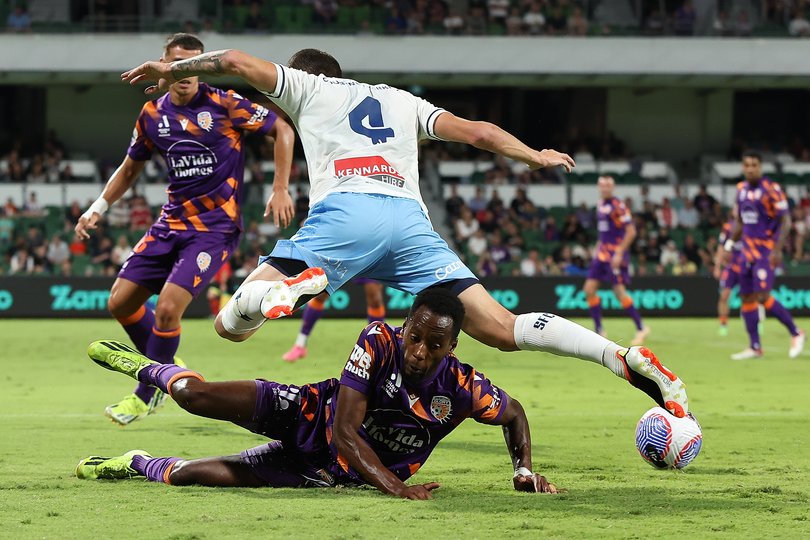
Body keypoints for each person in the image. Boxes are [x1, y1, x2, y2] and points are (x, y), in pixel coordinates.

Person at [121, 47, 689, 419]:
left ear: (305, 76)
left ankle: (288, 287)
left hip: (346, 216)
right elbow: (478, 132)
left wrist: (172, 70)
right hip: (409, 224)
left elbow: (240, 64)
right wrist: (533, 156)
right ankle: (619, 356)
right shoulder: (399, 99)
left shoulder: (307, 87)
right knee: (501, 327)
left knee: (229, 326)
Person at [76, 289, 557, 497]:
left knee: (184, 478)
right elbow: (346, 432)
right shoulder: (378, 340)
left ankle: (136, 460)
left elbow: (514, 414)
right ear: (404, 326)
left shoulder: (463, 388)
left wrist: (523, 470)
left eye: (435, 345)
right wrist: (397, 487)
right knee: (194, 398)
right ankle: (151, 369)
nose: (419, 351)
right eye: (415, 336)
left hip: (325, 472)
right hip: (307, 413)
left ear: (452, 346)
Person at [76, 33, 295, 425]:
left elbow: (283, 129)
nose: (185, 72)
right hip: (169, 223)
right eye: (177, 63)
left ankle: (148, 393)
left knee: (167, 311)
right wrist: (98, 207)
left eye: (194, 63)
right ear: (164, 64)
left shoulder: (224, 104)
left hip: (214, 229)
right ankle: (166, 362)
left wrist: (280, 187)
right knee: (120, 303)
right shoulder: (152, 115)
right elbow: (130, 169)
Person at [723, 151, 805, 360]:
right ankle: (755, 346)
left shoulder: (771, 189)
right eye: (747, 165)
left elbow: (786, 221)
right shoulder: (740, 190)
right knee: (747, 298)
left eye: (754, 165)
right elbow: (740, 222)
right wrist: (729, 244)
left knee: (763, 296)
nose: (751, 168)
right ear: (743, 167)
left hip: (765, 252)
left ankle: (796, 332)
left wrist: (777, 250)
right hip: (745, 253)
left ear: (760, 167)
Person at [582, 176, 649, 345]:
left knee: (619, 292)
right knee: (589, 289)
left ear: (613, 187)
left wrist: (619, 252)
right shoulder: (600, 205)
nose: (605, 188)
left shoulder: (618, 206)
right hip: (602, 254)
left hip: (614, 255)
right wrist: (597, 248)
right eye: (602, 185)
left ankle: (641, 328)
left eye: (608, 185)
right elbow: (603, 233)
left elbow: (631, 231)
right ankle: (599, 330)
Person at [282, 280, 386, 362]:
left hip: (367, 254)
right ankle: (300, 345)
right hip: (344, 254)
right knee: (320, 294)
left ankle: (376, 350)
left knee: (374, 299)